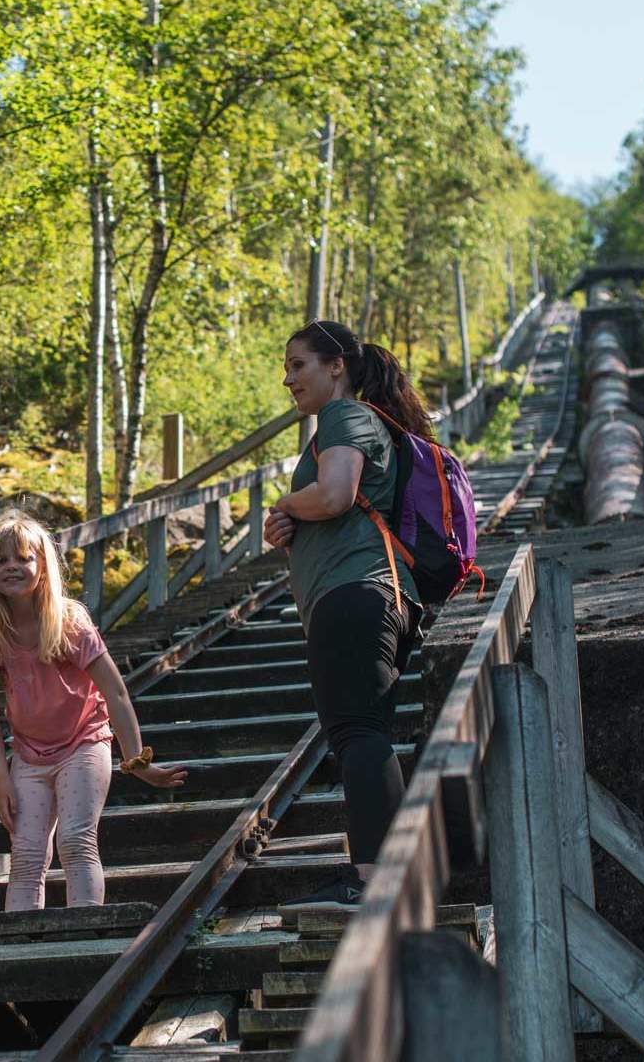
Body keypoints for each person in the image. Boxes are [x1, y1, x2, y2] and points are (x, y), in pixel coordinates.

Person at [263, 320, 426, 908]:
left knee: (358, 732)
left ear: (336, 366)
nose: (288, 379)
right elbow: (332, 504)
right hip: (366, 590)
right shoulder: (348, 424)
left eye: (297, 364)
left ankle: (377, 878)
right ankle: (381, 872)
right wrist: (289, 525)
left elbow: (333, 495)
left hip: (357, 589)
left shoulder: (344, 417)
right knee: (362, 731)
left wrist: (283, 504)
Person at [0, 514, 187, 912]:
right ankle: (20, 947)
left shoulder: (68, 622)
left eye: (22, 558)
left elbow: (115, 692)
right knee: (27, 852)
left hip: (83, 743)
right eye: (0, 561)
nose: (11, 567)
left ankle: (83, 929)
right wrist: (2, 781)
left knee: (74, 838)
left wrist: (135, 759)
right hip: (30, 756)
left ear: (42, 565)